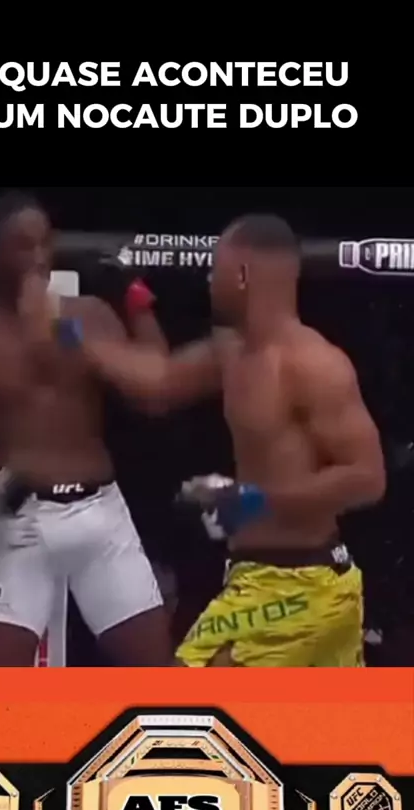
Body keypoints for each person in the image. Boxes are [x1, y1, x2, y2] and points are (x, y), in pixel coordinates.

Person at [74, 214, 386, 666]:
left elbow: (368, 478)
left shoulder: (313, 364)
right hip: (276, 579)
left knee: (179, 708)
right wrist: (87, 326)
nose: (208, 279)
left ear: (241, 275)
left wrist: (253, 501)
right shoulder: (232, 351)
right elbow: (159, 384)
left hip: (297, 587)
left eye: (215, 267)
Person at [0, 191, 172, 666]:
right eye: (23, 245)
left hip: (101, 519)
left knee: (157, 680)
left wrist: (136, 299)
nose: (38, 257)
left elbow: (157, 391)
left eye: (44, 242)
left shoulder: (86, 315)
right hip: (23, 525)